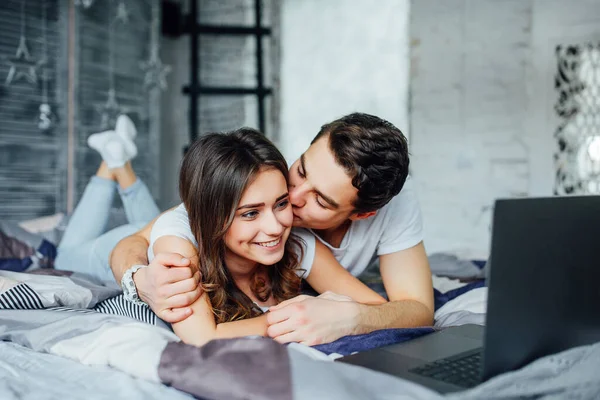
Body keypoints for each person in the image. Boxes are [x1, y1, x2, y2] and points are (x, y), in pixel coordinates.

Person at [110, 113, 434, 346]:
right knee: (90, 241)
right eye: (301, 171)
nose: (291, 202)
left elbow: (407, 309)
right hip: (109, 249)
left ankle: (117, 164)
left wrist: (347, 317)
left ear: (363, 214)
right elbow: (138, 240)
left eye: (319, 199)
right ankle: (116, 166)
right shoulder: (185, 227)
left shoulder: (298, 239)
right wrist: (136, 276)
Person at [149, 128, 385, 346]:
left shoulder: (297, 243)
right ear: (212, 216)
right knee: (140, 217)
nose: (275, 227)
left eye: (281, 203)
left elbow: (376, 308)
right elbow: (201, 338)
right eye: (251, 213)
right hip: (138, 237)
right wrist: (302, 316)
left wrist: (341, 316)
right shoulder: (177, 243)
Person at [54, 115, 163, 284]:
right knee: (156, 229)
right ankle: (116, 159)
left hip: (152, 237)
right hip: (155, 236)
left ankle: (115, 160)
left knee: (62, 259)